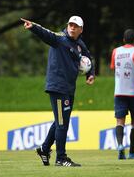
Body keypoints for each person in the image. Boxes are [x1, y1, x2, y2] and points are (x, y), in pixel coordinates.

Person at [21, 16, 95, 167]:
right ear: (67, 26)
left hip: (68, 88)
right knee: (62, 123)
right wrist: (34, 27)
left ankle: (44, 149)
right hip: (58, 87)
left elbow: (88, 57)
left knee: (61, 121)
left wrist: (90, 73)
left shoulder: (79, 44)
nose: (72, 28)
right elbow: (46, 33)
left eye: (76, 26)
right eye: (70, 25)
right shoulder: (60, 39)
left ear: (81, 29)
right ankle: (61, 158)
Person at [110, 29, 134, 160]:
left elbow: (114, 68)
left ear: (123, 40)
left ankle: (120, 146)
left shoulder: (115, 51)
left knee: (119, 121)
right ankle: (132, 153)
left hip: (119, 91)